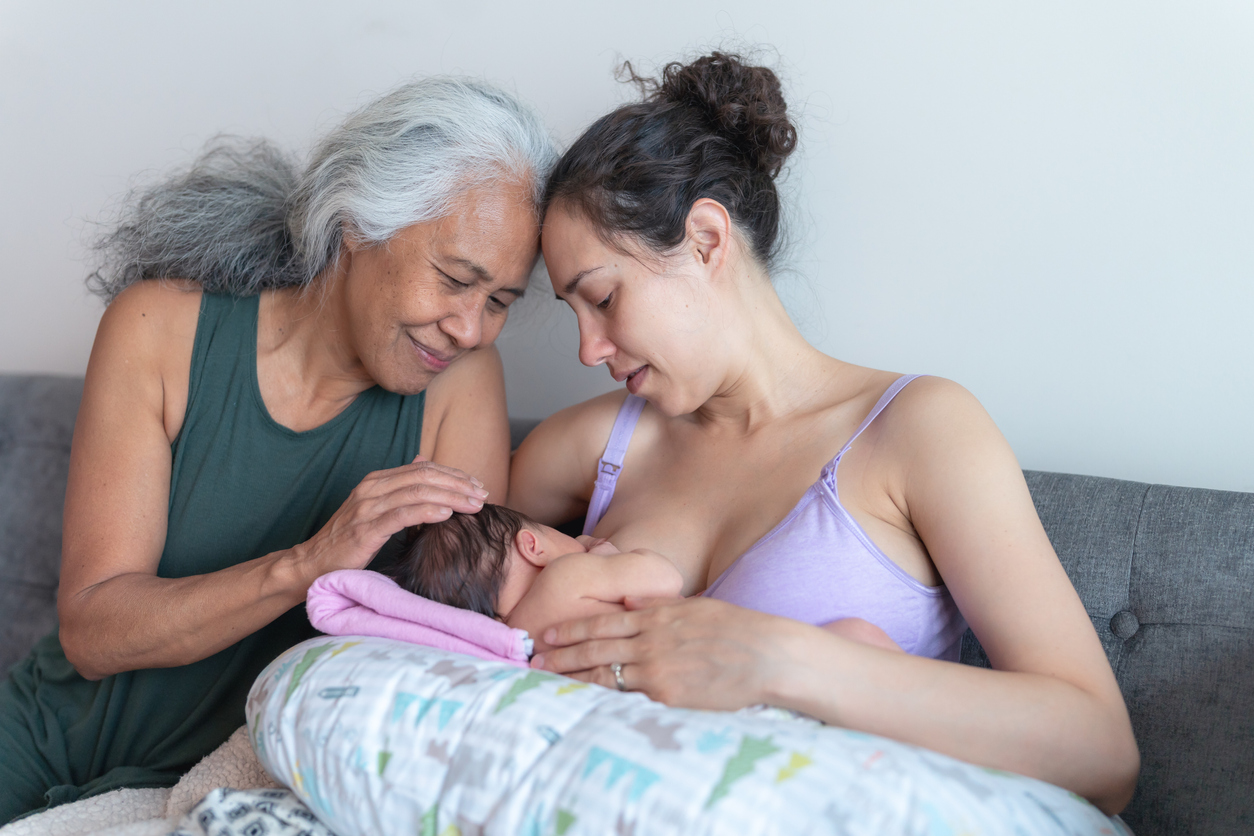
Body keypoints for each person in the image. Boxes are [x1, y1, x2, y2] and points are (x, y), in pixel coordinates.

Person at [508, 53, 1140, 814]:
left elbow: (1102, 752)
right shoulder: (586, 449)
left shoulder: (918, 430)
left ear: (707, 240)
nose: (587, 349)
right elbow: (453, 615)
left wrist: (779, 658)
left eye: (603, 298)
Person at [0, 78, 556, 822]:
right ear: (357, 222)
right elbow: (95, 633)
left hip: (232, 793)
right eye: (456, 280)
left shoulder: (464, 387)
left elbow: (450, 662)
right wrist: (308, 565)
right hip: (40, 741)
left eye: (498, 302)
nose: (470, 329)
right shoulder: (158, 327)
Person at [388, 504, 899, 655]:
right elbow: (662, 576)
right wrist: (608, 552)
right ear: (533, 545)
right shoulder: (567, 575)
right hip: (715, 657)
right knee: (860, 639)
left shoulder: (519, 639)